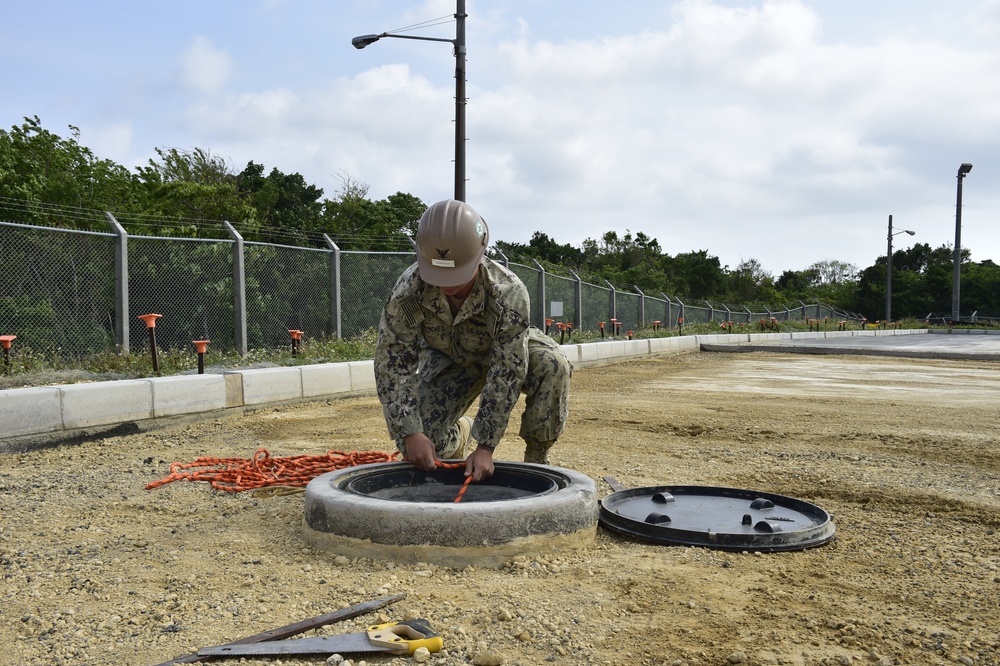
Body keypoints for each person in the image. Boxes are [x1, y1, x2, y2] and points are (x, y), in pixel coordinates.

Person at [374, 199, 572, 482]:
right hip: (451, 360)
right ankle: (459, 434)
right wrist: (410, 432)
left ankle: (537, 457)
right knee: (419, 447)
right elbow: (392, 362)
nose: (447, 283)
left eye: (457, 273)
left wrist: (486, 446)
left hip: (504, 353)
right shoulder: (410, 289)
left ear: (480, 255)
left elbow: (507, 370)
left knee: (554, 364)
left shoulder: (507, 292)